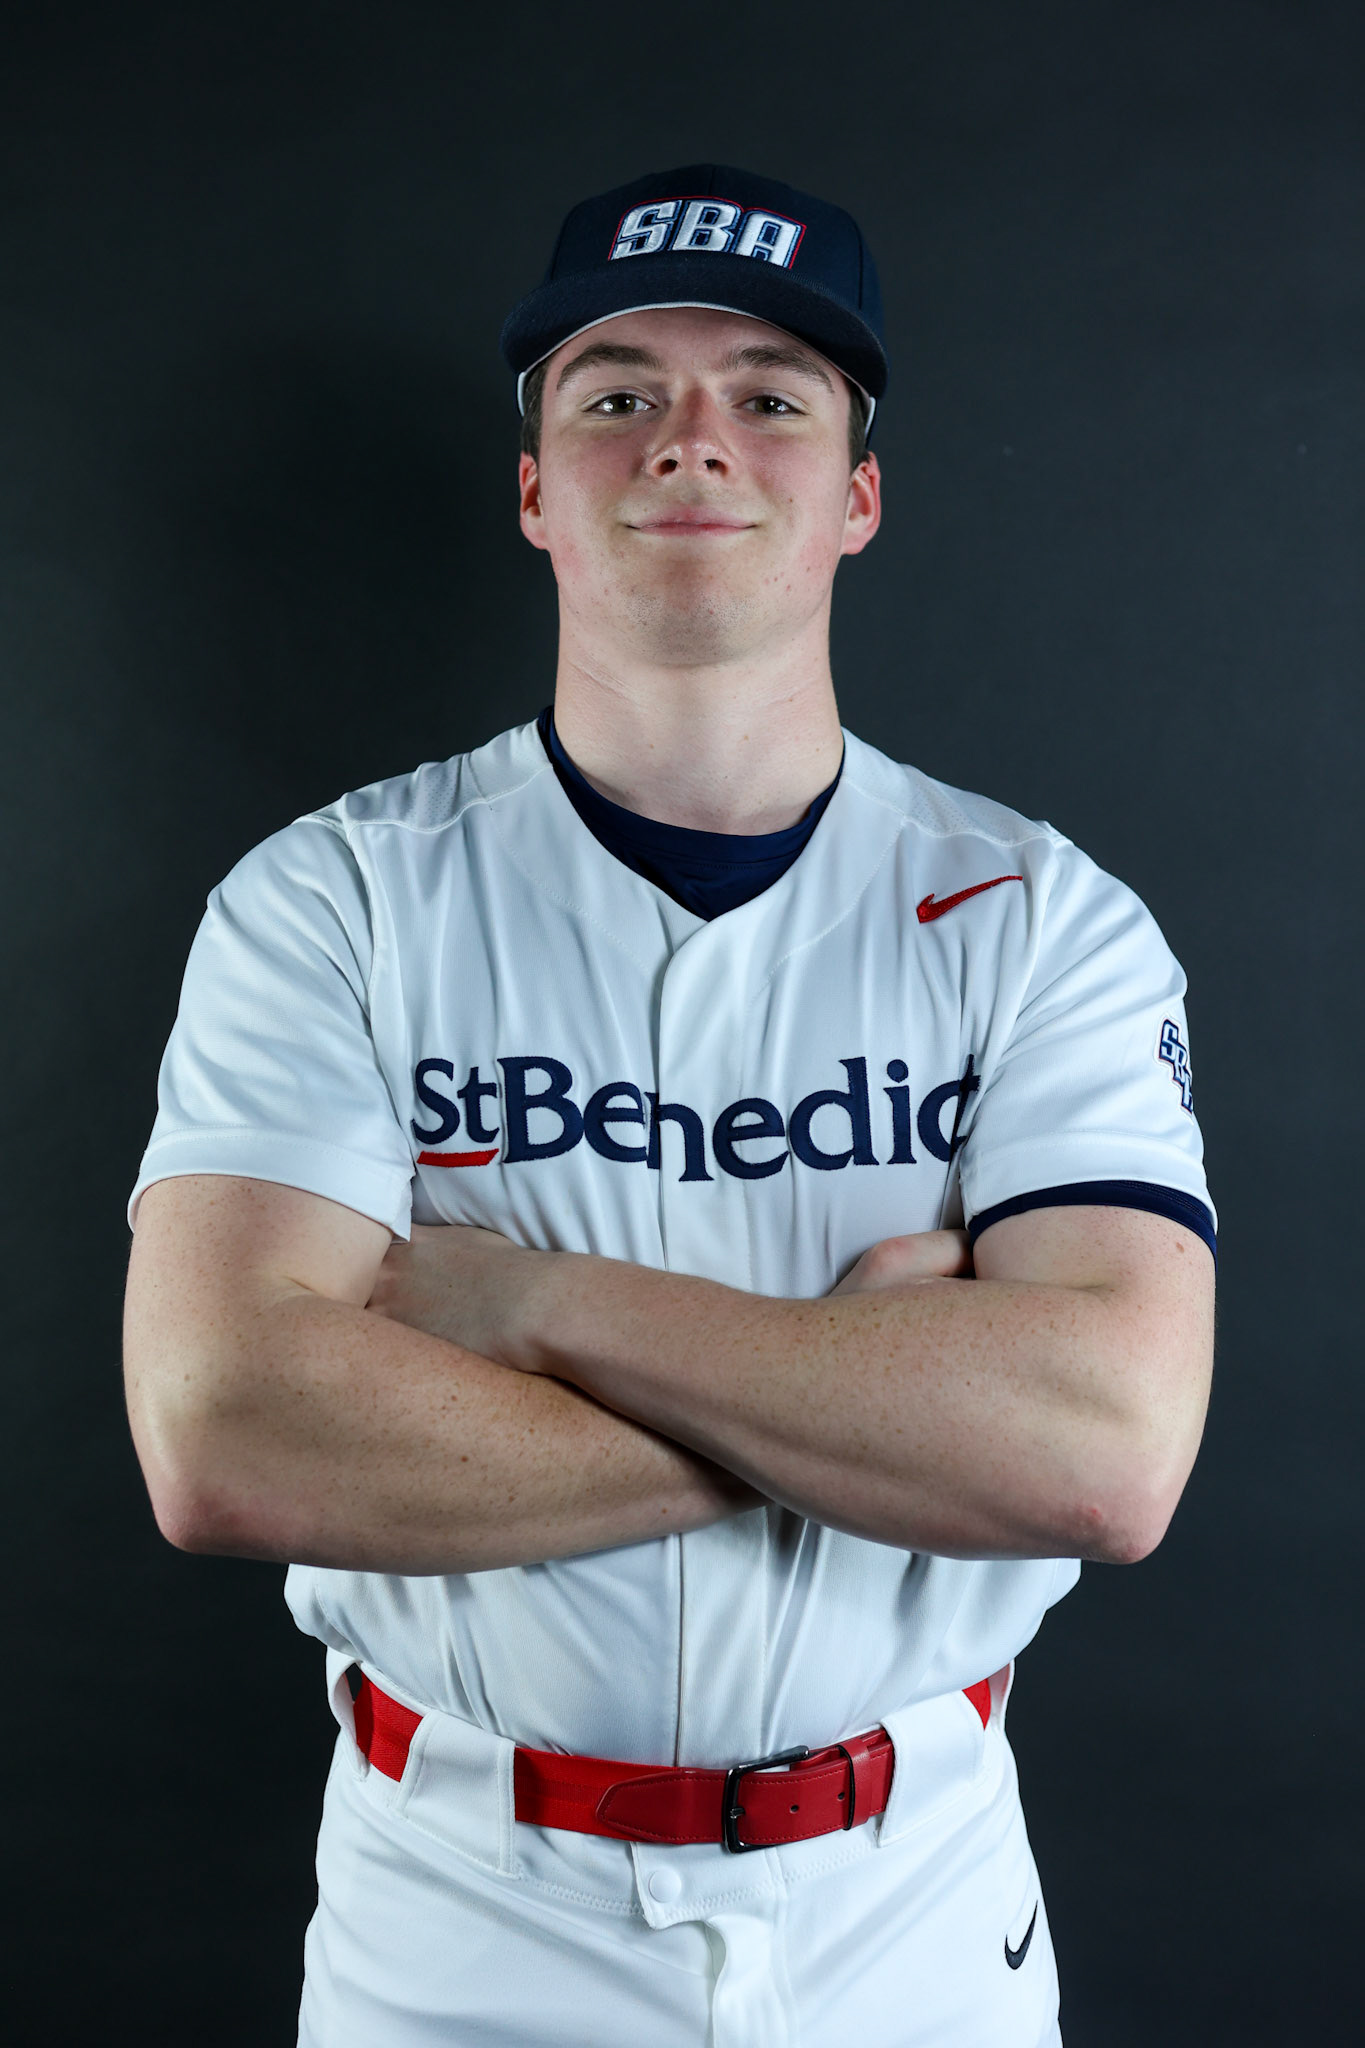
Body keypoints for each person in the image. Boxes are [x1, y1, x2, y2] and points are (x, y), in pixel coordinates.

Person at [122, 164, 1216, 2047]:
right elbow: (226, 1431)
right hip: (463, 1911)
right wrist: (864, 1396)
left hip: (910, 1901)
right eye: (615, 393)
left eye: (770, 396)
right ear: (536, 490)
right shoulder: (332, 898)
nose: (689, 439)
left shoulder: (1042, 917)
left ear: (855, 495)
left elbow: (1099, 1455)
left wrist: (532, 1303)